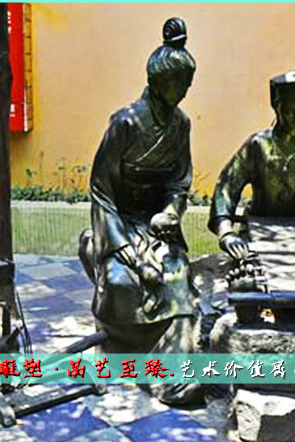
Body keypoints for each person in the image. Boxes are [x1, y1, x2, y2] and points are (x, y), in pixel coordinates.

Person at [78, 18, 201, 405]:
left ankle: (173, 373)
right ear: (159, 82)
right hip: (119, 224)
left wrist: (171, 211)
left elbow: (179, 181)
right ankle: (121, 354)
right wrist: (127, 251)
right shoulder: (126, 122)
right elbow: (101, 191)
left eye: (189, 82)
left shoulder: (181, 125)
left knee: (177, 279)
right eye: (181, 82)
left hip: (156, 226)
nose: (186, 90)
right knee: (121, 282)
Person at [208, 69, 295, 262]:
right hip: (258, 226)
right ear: (277, 105)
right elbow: (227, 187)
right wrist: (226, 232)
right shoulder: (258, 145)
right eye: (292, 110)